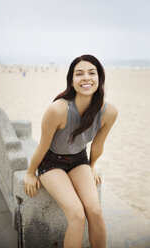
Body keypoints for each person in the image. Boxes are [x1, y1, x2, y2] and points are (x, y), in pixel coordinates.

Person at [24, 54, 118, 248]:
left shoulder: (109, 112)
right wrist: (30, 173)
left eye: (92, 73)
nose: (86, 78)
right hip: (51, 162)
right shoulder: (58, 109)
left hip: (79, 160)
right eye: (79, 74)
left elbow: (98, 145)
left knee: (95, 211)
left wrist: (91, 166)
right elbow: (42, 146)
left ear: (99, 78)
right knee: (77, 215)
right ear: (71, 81)